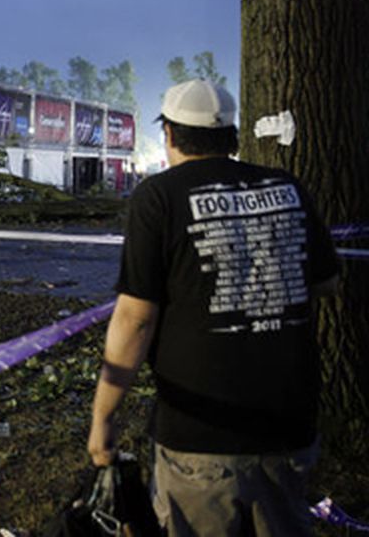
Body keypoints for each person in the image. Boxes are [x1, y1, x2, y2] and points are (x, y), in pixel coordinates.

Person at [87, 79, 339, 536]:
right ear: (233, 135)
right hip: (289, 421)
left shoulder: (157, 198)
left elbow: (134, 318)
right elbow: (326, 281)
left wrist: (104, 416)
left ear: (169, 134)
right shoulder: (288, 188)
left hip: (200, 433)